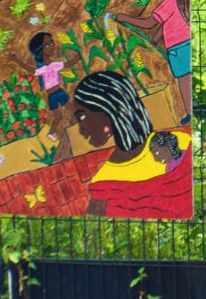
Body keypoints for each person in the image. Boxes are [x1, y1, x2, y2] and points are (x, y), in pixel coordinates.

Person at [72, 71, 191, 219]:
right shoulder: (103, 184)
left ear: (109, 106)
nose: (81, 128)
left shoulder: (181, 144)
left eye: (82, 116)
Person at [115, 0, 192, 125]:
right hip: (185, 43)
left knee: (184, 80)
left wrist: (124, 18)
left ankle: (190, 111)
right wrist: (157, 38)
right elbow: (170, 23)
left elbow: (150, 23)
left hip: (178, 47)